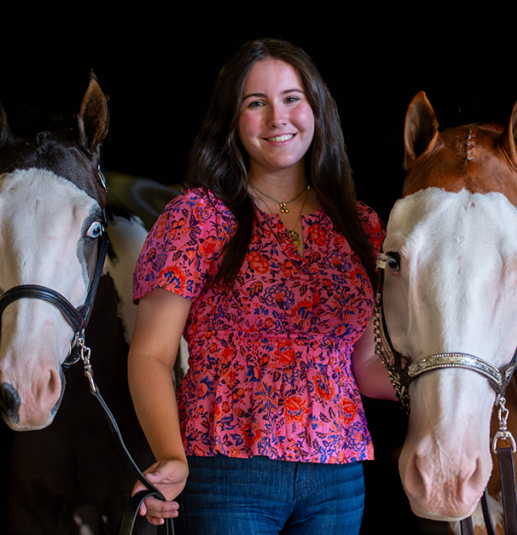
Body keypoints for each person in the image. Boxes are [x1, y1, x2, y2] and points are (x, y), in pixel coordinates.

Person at [127, 38, 396, 534]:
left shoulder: (362, 227)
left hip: (338, 475)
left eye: (292, 98)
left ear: (317, 108)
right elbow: (150, 355)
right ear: (232, 120)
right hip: (227, 472)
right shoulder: (198, 218)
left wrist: (457, 378)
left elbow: (365, 366)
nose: (279, 117)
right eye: (256, 103)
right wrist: (171, 456)